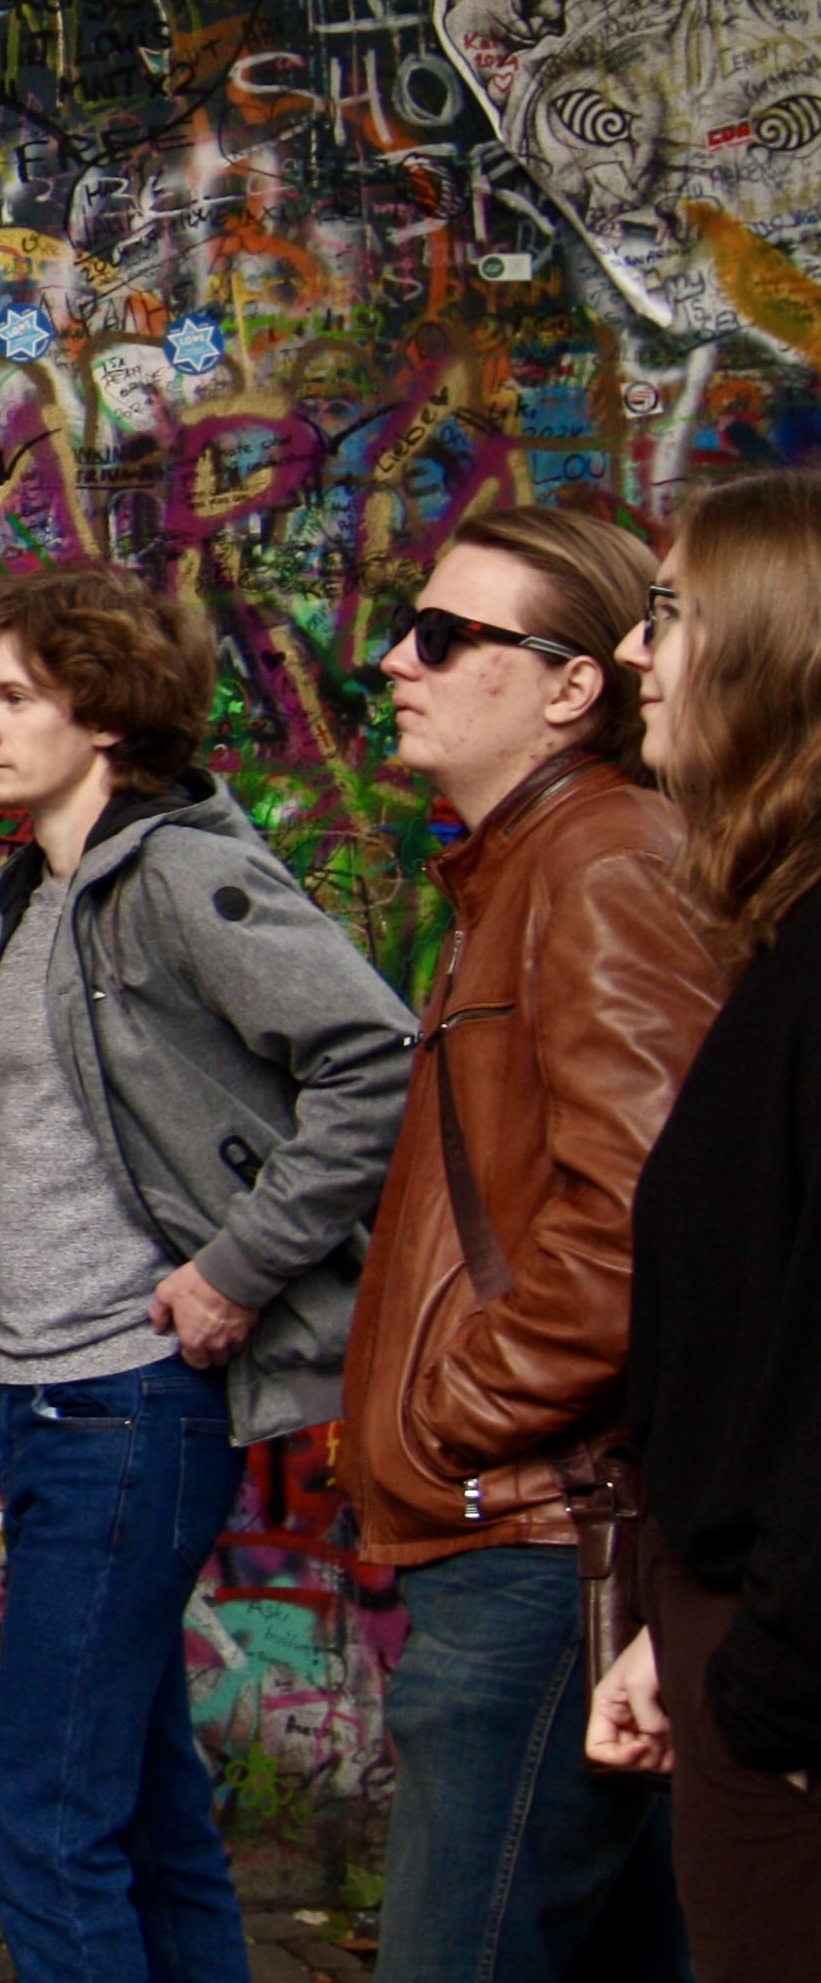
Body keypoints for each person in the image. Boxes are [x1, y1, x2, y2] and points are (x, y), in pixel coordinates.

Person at [0, 570, 413, 1983]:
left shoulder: (184, 876)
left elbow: (374, 1062)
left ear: (109, 712)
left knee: (44, 1817)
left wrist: (238, 1269)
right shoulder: (30, 905)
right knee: (146, 1810)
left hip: (131, 1406)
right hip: (48, 1397)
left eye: (13, 696)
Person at [346, 507, 718, 1983]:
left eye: (444, 637)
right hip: (536, 1541)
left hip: (543, 1549)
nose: (394, 660)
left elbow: (645, 1223)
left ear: (573, 685)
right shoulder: (535, 867)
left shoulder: (601, 866)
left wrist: (460, 1411)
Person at [586, 466, 821, 1975]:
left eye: (668, 612)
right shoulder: (783, 952)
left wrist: (780, 1680)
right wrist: (675, 1632)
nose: (632, 653)